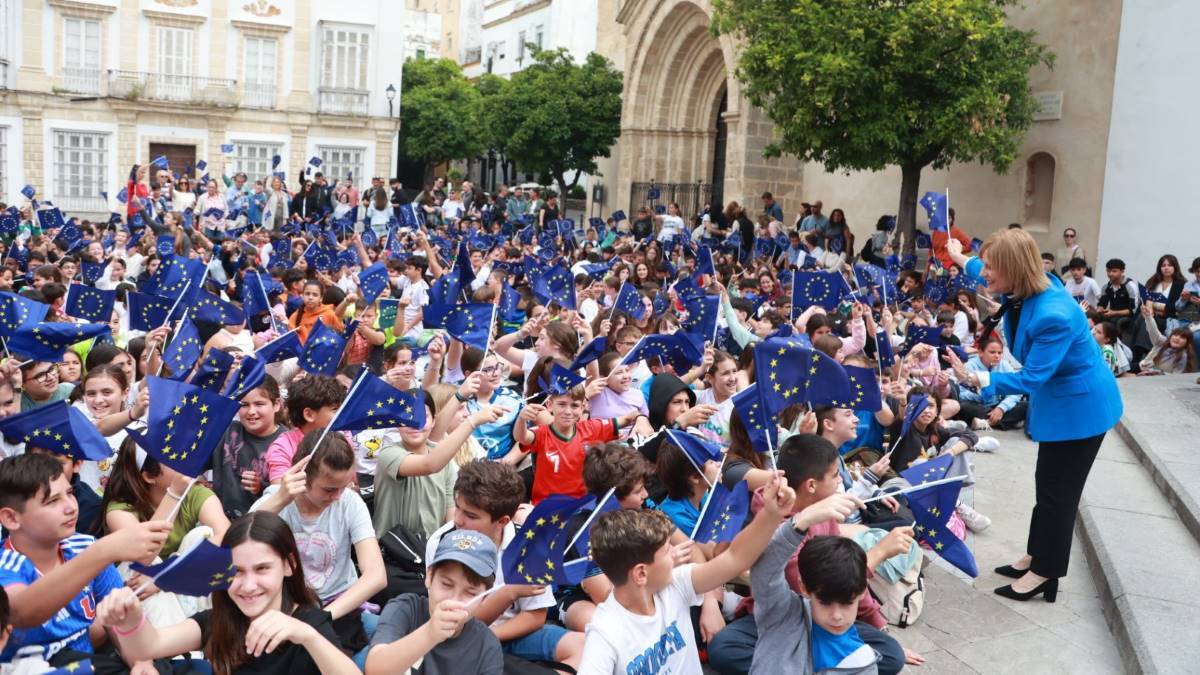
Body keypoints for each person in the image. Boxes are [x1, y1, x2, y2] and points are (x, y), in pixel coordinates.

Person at [945, 231, 1122, 601]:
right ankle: (1037, 555)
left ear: (1013, 269)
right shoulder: (1030, 284)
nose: (985, 274)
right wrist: (959, 256)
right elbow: (981, 267)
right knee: (1047, 485)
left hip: (1081, 410)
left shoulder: (1052, 315)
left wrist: (974, 376)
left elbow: (1032, 377)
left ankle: (1046, 572)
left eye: (992, 267)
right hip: (1063, 405)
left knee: (1060, 494)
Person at [575, 473, 794, 675]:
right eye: (665, 551)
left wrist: (771, 514)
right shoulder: (604, 633)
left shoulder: (675, 583)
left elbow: (734, 558)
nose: (674, 553)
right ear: (641, 574)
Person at [93, 511, 358, 674]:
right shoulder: (219, 620)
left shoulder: (309, 622)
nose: (248, 584)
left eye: (262, 568)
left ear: (288, 566)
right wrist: (129, 620)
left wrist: (306, 636)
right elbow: (151, 645)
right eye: (237, 571)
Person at [0, 453, 170, 667]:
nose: (71, 506)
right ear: (11, 518)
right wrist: (104, 550)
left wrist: (140, 663)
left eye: (70, 493)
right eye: (53, 501)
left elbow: (118, 617)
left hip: (91, 664)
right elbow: (19, 611)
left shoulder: (83, 546)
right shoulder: (6, 564)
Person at [425, 460, 586, 671]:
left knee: (585, 647)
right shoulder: (442, 541)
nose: (458, 520)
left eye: (471, 515)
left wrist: (490, 638)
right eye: (458, 508)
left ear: (502, 521)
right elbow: (453, 623)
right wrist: (510, 592)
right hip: (458, 638)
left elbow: (536, 616)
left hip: (510, 633)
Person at [252, 432, 385, 664]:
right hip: (287, 605)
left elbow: (376, 575)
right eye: (329, 489)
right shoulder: (276, 500)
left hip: (340, 607)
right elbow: (236, 546)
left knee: (387, 642)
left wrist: (322, 617)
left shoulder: (350, 502)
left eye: (344, 486)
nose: (337, 496)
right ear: (302, 478)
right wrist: (280, 500)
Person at [364, 529, 503, 675]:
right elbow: (374, 669)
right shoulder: (406, 608)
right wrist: (430, 633)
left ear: (484, 598)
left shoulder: (487, 646)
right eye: (447, 585)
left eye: (470, 593)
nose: (454, 600)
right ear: (429, 576)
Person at [955, 336, 1028, 431]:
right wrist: (981, 395)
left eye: (1000, 353)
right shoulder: (970, 366)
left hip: (999, 404)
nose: (997, 356)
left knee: (1026, 406)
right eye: (992, 352)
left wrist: (1001, 408)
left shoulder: (1004, 365)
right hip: (979, 405)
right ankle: (1000, 421)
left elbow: (1016, 390)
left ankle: (986, 422)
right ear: (981, 352)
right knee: (963, 407)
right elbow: (961, 394)